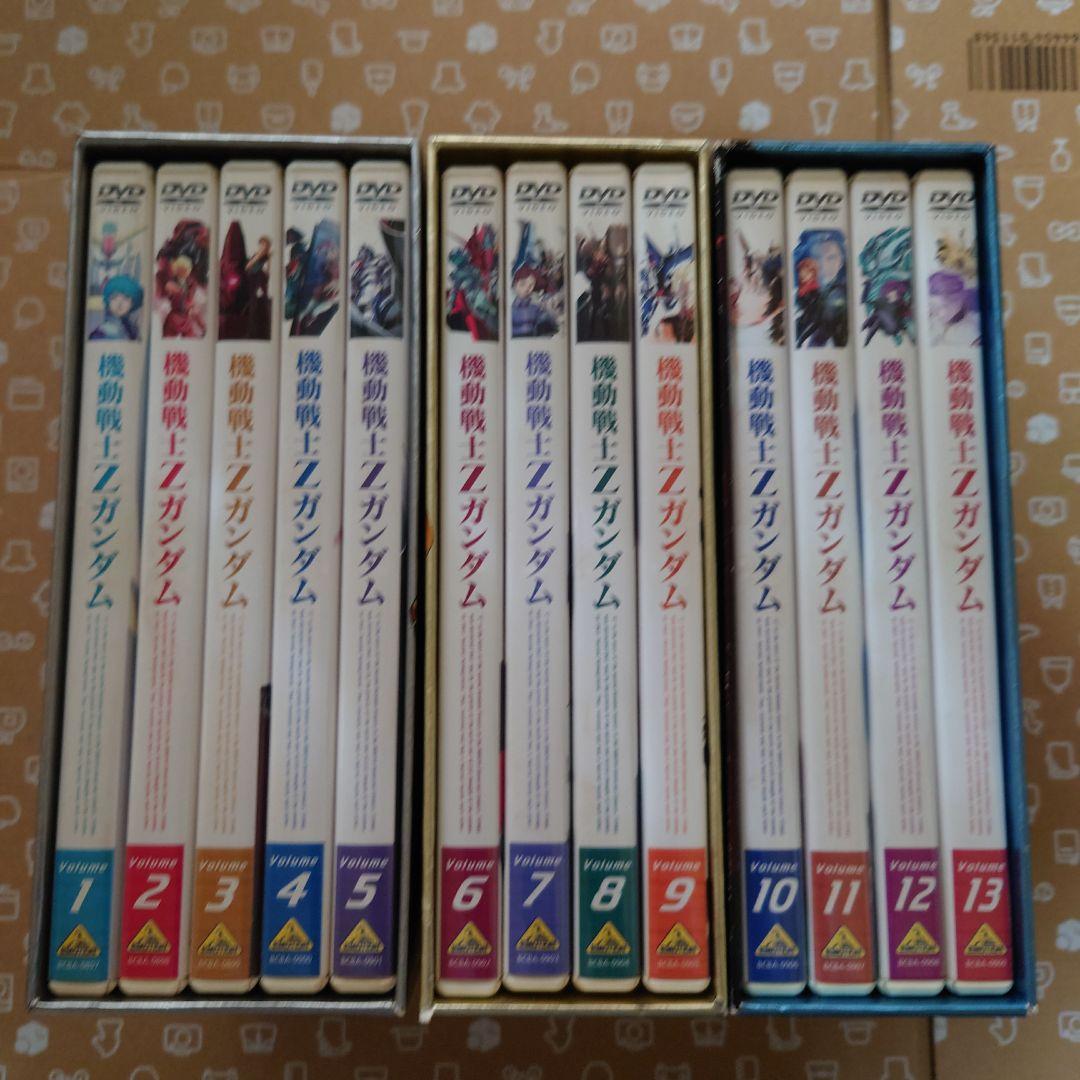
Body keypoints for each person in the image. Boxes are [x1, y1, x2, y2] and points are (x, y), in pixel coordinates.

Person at [90, 274, 143, 340]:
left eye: (126, 298)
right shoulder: (101, 332)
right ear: (108, 301)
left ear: (132, 303)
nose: (119, 304)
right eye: (114, 298)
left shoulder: (133, 329)